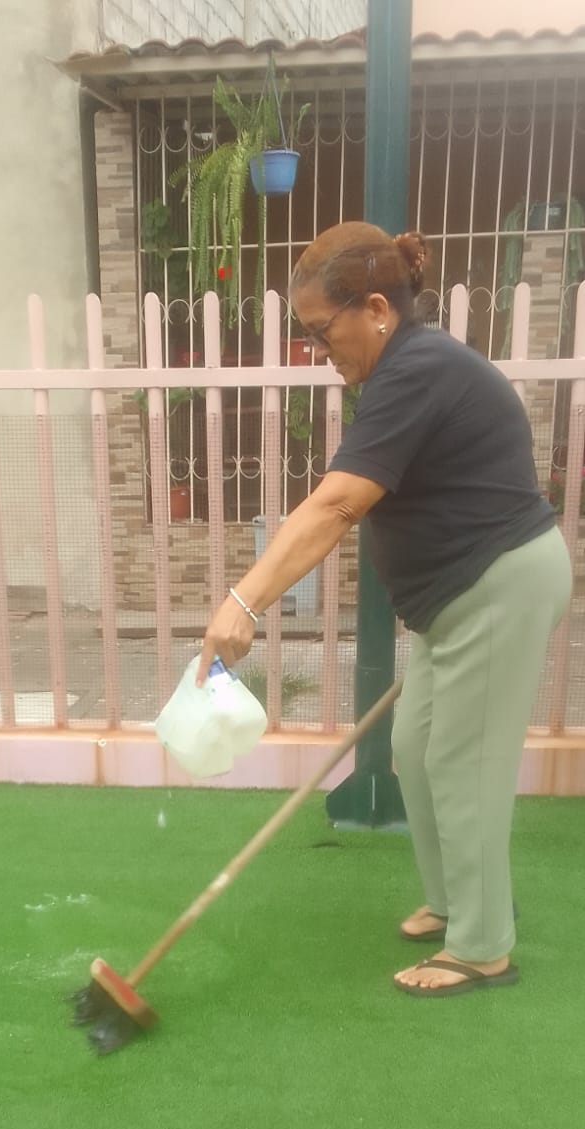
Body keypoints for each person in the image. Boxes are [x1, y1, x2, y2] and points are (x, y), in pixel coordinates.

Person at [196, 221, 572, 998]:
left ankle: (481, 946)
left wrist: (242, 602)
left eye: (319, 330)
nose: (314, 349)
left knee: (463, 766)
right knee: (418, 746)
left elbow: (338, 503)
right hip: (456, 599)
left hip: (494, 586)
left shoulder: (417, 369)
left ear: (374, 309)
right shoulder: (406, 369)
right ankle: (452, 901)